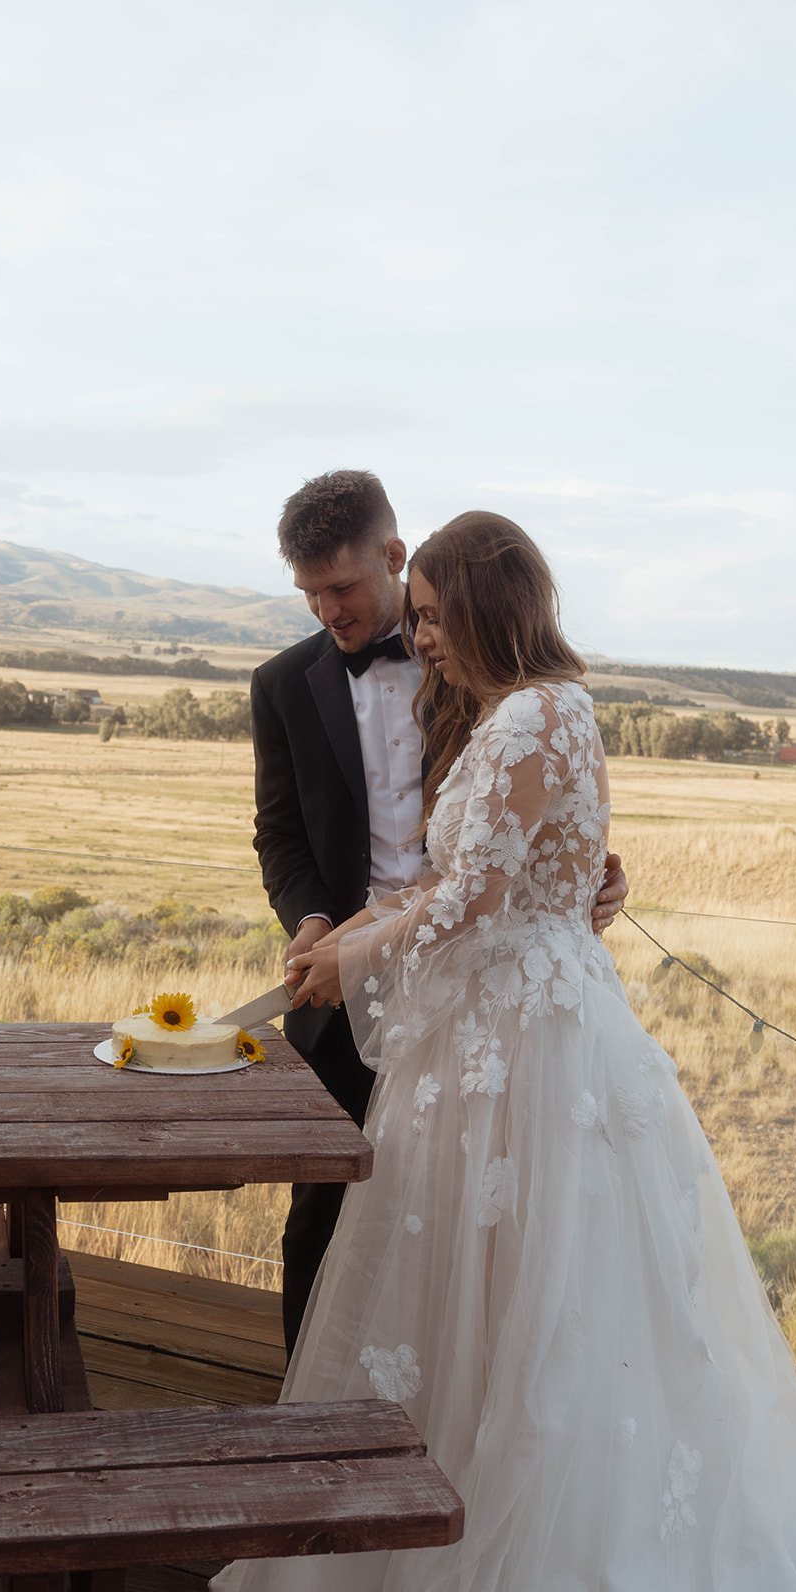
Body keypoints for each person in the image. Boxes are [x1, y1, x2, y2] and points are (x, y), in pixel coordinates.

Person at [213, 511, 796, 1592]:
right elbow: (339, 846)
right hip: (462, 1008)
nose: (416, 634)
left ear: (446, 591)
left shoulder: (522, 709)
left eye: (430, 615)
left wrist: (391, 945)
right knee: (394, 1243)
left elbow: (475, 890)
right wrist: (333, 931)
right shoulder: (485, 702)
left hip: (512, 1036)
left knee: (529, 1265)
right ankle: (371, 1462)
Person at [251, 470, 627, 1355]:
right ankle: (306, 1422)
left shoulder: (477, 671)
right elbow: (279, 836)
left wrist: (585, 884)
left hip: (476, 994)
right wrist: (314, 926)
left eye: (340, 588)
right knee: (326, 1215)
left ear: (393, 557)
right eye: (308, 594)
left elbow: (519, 835)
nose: (327, 612)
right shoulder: (280, 685)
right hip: (345, 979)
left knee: (473, 1215)